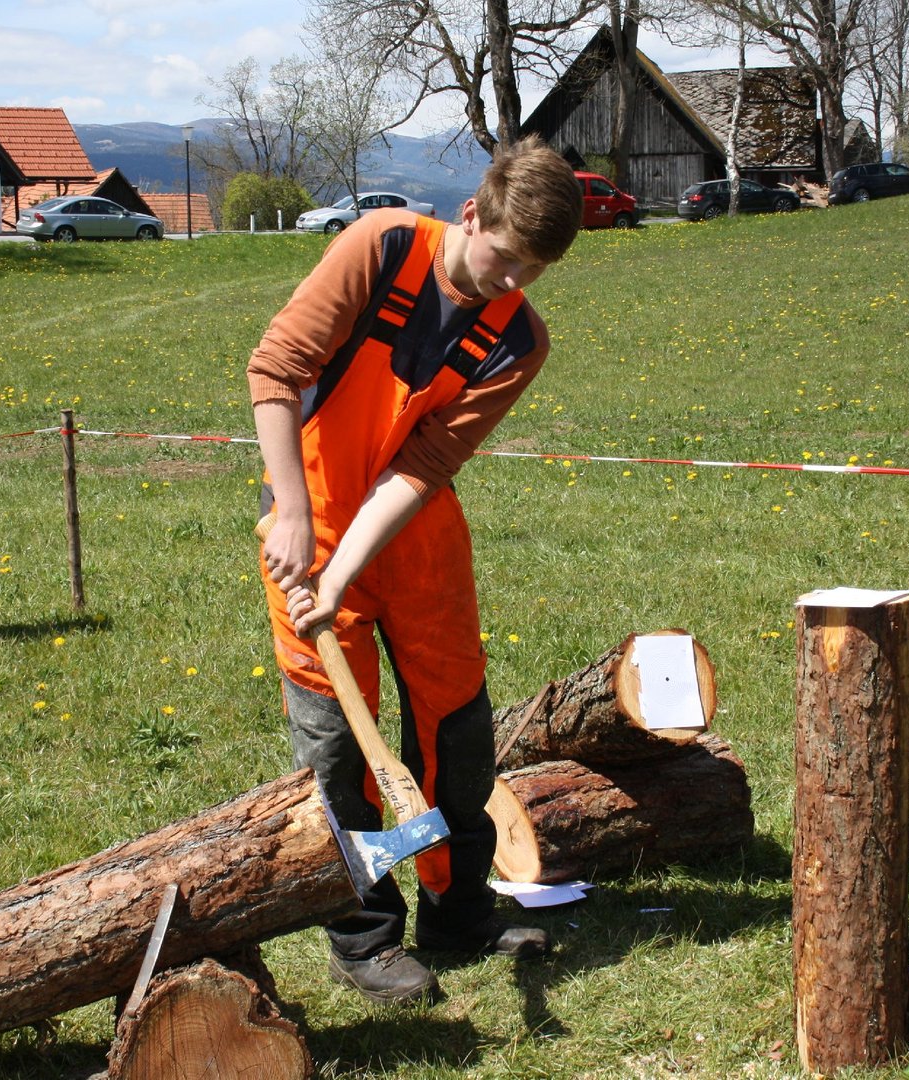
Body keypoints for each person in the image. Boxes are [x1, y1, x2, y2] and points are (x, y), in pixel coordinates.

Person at [248, 138, 584, 1006]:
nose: (513, 282)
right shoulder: (383, 245)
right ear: (471, 214)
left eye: (534, 271)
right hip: (313, 517)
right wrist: (296, 518)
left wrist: (348, 568)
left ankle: (457, 911)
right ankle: (363, 936)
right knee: (338, 751)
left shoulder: (519, 340)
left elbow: (424, 464)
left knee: (457, 735)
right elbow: (276, 368)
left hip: (417, 535)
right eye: (504, 257)